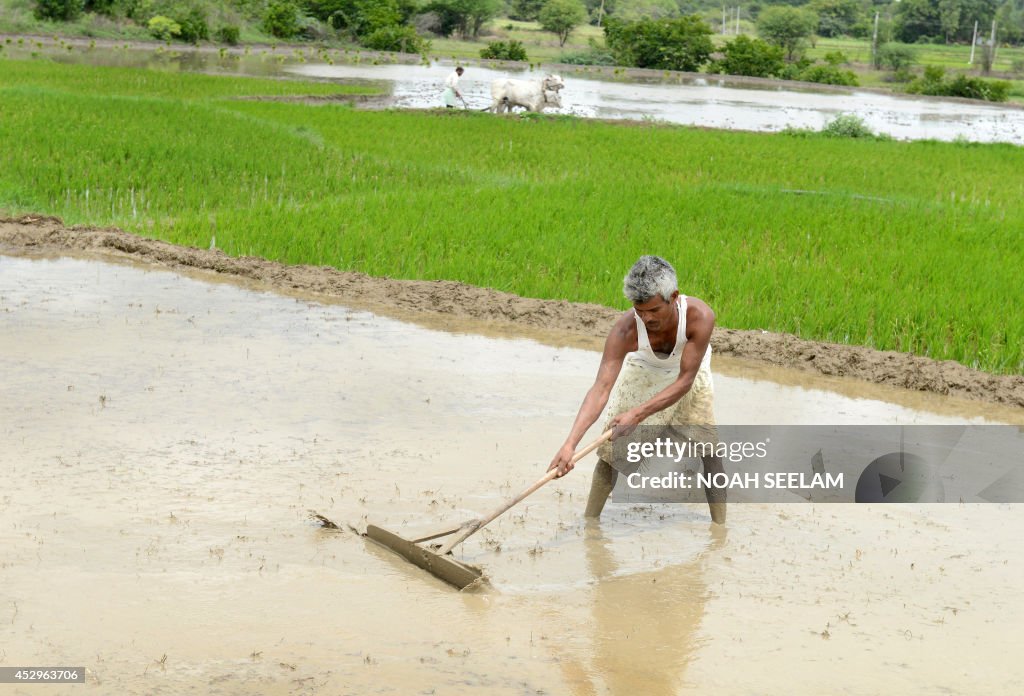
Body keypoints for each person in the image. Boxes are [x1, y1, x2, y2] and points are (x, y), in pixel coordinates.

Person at [547, 255, 726, 524]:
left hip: (689, 373)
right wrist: (570, 445)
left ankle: (719, 529)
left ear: (673, 297)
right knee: (612, 450)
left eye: (654, 310)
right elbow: (600, 389)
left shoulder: (700, 317)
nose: (646, 317)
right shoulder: (626, 329)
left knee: (709, 450)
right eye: (639, 310)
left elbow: (685, 381)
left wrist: (638, 415)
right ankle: (589, 525)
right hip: (645, 370)